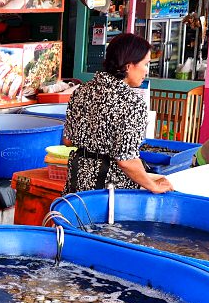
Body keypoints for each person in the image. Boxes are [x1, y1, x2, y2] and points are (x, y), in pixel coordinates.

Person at [63, 32, 174, 194]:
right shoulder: (132, 103)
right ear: (128, 66)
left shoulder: (81, 91)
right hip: (110, 191)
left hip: (77, 182)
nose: (146, 71)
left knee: (76, 219)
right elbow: (126, 160)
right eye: (145, 64)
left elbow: (68, 140)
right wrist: (153, 186)